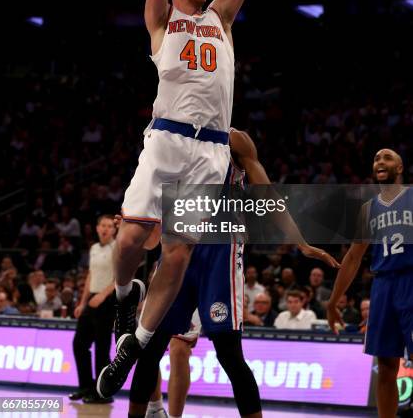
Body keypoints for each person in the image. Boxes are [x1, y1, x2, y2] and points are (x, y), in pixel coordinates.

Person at [97, 0, 253, 399]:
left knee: (178, 253)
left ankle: (132, 348)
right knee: (128, 240)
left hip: (210, 150)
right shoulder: (163, 21)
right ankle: (126, 300)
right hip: (166, 139)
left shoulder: (221, 20)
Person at [127, 129, 339, 417]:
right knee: (150, 347)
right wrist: (135, 221)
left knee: (228, 353)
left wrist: (299, 241)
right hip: (178, 244)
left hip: (219, 250)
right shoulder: (174, 137)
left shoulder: (235, 139)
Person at [327, 149, 413, 418]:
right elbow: (353, 257)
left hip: (411, 280)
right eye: (376, 158)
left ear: (399, 167)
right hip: (383, 286)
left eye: (387, 157)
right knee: (386, 364)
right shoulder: (369, 209)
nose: (380, 161)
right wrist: (332, 302)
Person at [70, 214, 131, 404]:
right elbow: (90, 275)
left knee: (102, 349)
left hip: (108, 300)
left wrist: (103, 295)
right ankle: (85, 386)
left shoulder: (118, 247)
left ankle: (102, 393)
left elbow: (122, 276)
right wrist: (82, 302)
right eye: (102, 225)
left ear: (114, 229)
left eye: (108, 226)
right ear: (96, 228)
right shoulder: (94, 248)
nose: (105, 229)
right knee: (79, 344)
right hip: (92, 300)